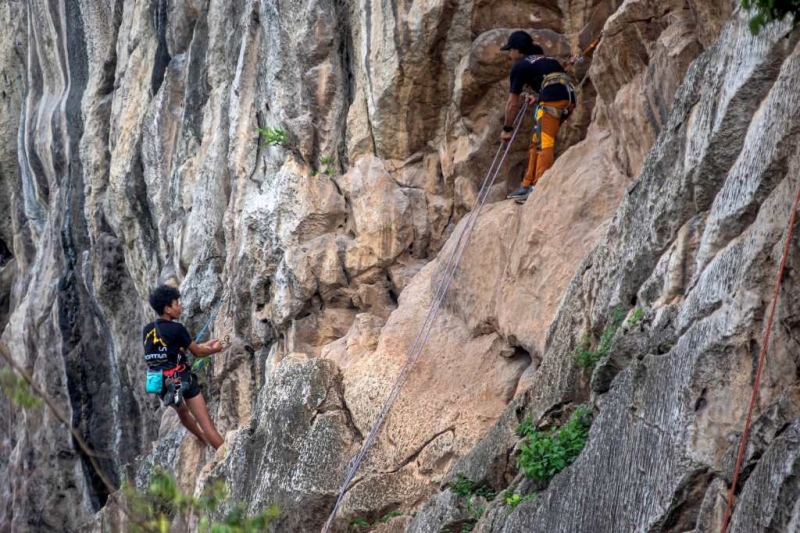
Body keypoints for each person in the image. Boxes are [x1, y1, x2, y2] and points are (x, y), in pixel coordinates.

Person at [143, 285, 225, 449]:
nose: (180, 307)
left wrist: (200, 346)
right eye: (176, 304)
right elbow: (198, 353)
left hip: (158, 382)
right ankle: (228, 458)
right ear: (167, 309)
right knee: (207, 424)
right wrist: (215, 349)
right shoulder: (177, 328)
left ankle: (201, 438)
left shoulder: (147, 330)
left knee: (182, 411)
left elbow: (164, 352)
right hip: (180, 379)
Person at [500, 31, 575, 204]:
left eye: (510, 50)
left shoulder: (520, 66)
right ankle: (527, 184)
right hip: (566, 97)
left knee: (544, 143)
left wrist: (507, 129)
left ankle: (539, 187)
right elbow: (554, 80)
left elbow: (512, 103)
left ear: (518, 50)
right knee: (536, 140)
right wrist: (539, 97)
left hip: (552, 99)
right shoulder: (547, 60)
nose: (509, 54)